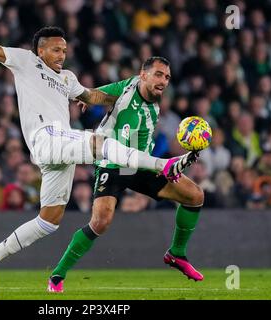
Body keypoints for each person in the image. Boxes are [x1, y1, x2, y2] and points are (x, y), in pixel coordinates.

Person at [0, 9, 197, 293]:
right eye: (56, 50)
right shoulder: (25, 62)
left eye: (64, 50)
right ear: (40, 50)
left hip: (59, 152)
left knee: (49, 221)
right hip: (46, 138)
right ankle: (164, 164)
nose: (62, 55)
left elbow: (92, 96)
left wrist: (123, 93)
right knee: (102, 145)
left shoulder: (67, 78)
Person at [48, 57, 205, 293]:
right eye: (159, 74)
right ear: (144, 75)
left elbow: (97, 94)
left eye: (167, 77)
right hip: (113, 162)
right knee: (101, 222)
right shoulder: (128, 92)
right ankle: (57, 276)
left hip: (141, 163)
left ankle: (176, 254)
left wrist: (88, 96)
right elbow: (121, 150)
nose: (164, 81)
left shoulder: (138, 89)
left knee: (195, 195)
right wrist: (84, 97)